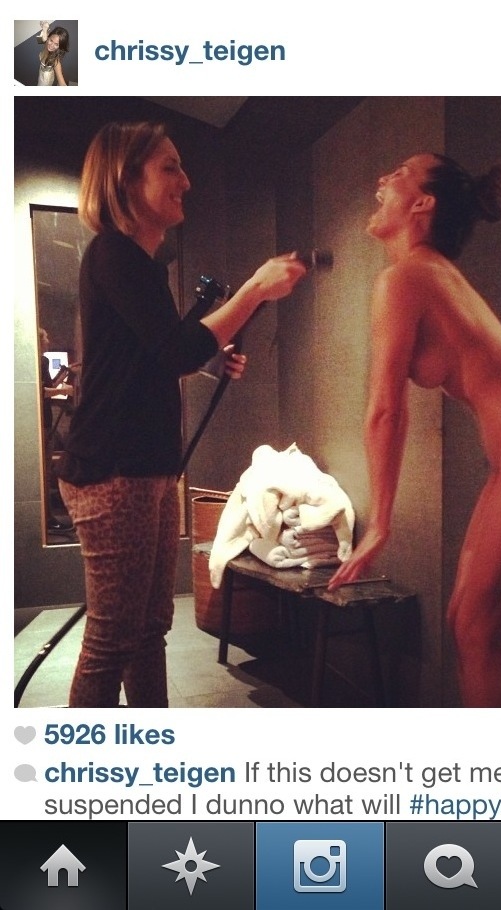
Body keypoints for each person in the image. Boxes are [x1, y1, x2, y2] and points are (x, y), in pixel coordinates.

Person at [57, 120, 306, 707]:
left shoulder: (138, 264)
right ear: (126, 180)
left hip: (145, 470)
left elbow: (152, 356)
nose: (186, 181)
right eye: (169, 167)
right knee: (113, 638)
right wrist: (254, 289)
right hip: (113, 472)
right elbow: (175, 349)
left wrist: (208, 362)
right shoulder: (114, 254)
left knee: (148, 630)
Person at [328, 153, 501, 708]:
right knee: (464, 625)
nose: (382, 178)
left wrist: (380, 523)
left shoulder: (405, 278)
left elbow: (386, 410)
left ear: (423, 204)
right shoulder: (429, 273)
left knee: (477, 635)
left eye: (399, 174)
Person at [38, 327, 74, 530]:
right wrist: (65, 390)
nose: (48, 341)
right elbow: (41, 391)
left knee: (45, 469)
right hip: (43, 423)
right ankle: (48, 518)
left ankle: (48, 517)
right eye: (45, 337)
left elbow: (49, 385)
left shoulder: (42, 362)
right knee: (44, 470)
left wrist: (66, 374)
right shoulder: (40, 361)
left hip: (45, 422)